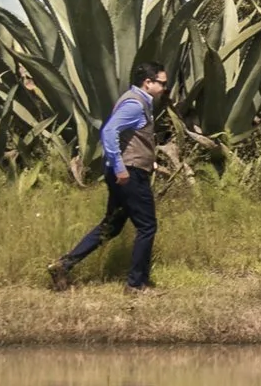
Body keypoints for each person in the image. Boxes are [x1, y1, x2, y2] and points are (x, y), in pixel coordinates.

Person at [47, 62, 170, 293]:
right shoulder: (135, 104)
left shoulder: (137, 101)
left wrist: (147, 159)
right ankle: (136, 284)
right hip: (129, 174)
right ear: (148, 82)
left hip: (128, 171)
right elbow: (109, 131)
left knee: (111, 226)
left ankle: (63, 265)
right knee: (147, 226)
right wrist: (120, 168)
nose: (165, 87)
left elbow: (130, 137)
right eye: (162, 82)